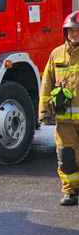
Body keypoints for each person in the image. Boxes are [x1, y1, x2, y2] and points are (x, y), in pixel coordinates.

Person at [39, 11, 79, 206]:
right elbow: (46, 84)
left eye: (77, 30)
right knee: (66, 156)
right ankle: (70, 191)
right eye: (70, 31)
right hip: (64, 121)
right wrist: (44, 113)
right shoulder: (56, 54)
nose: (74, 34)